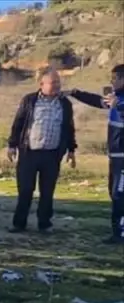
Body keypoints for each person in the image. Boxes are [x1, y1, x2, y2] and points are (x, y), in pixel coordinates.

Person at [6, 67, 77, 234]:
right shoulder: (30, 101)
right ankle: (19, 223)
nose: (57, 86)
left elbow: (69, 128)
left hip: (52, 154)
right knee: (25, 190)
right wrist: (12, 145)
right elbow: (18, 123)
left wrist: (72, 150)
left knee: (47, 191)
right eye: (53, 83)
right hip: (29, 152)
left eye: (58, 82)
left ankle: (44, 224)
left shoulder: (64, 104)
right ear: (42, 84)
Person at [67, 64, 124, 245]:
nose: (111, 82)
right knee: (114, 193)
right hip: (115, 156)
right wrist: (74, 93)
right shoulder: (117, 98)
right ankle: (117, 231)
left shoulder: (121, 101)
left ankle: (120, 234)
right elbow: (97, 101)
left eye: (114, 78)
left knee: (119, 195)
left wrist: (120, 106)